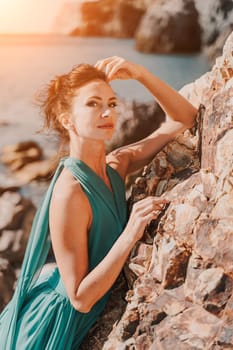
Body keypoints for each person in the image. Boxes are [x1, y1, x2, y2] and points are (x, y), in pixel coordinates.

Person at [0, 56, 197, 349]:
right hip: (52, 327)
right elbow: (79, 298)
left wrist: (141, 74)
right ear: (68, 120)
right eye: (93, 104)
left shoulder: (117, 163)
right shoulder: (71, 192)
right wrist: (131, 232)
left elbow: (184, 118)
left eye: (112, 103)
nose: (107, 112)